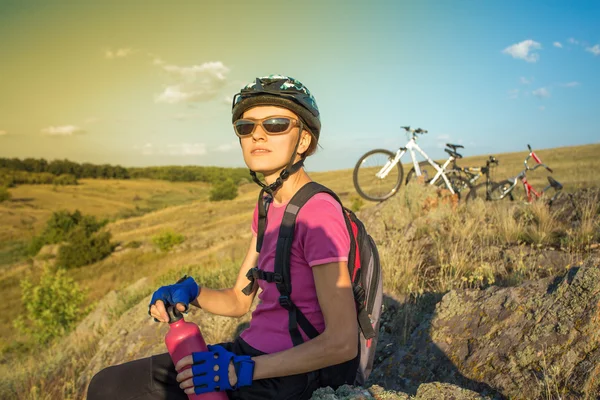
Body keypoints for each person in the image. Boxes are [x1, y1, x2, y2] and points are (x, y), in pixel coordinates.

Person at [86, 75, 359, 400]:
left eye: (275, 124)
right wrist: (191, 292)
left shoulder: (318, 213)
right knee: (108, 386)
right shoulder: (268, 204)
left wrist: (243, 371)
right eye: (246, 127)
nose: (258, 133)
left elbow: (343, 342)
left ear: (303, 141)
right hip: (247, 357)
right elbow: (239, 300)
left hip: (289, 376)